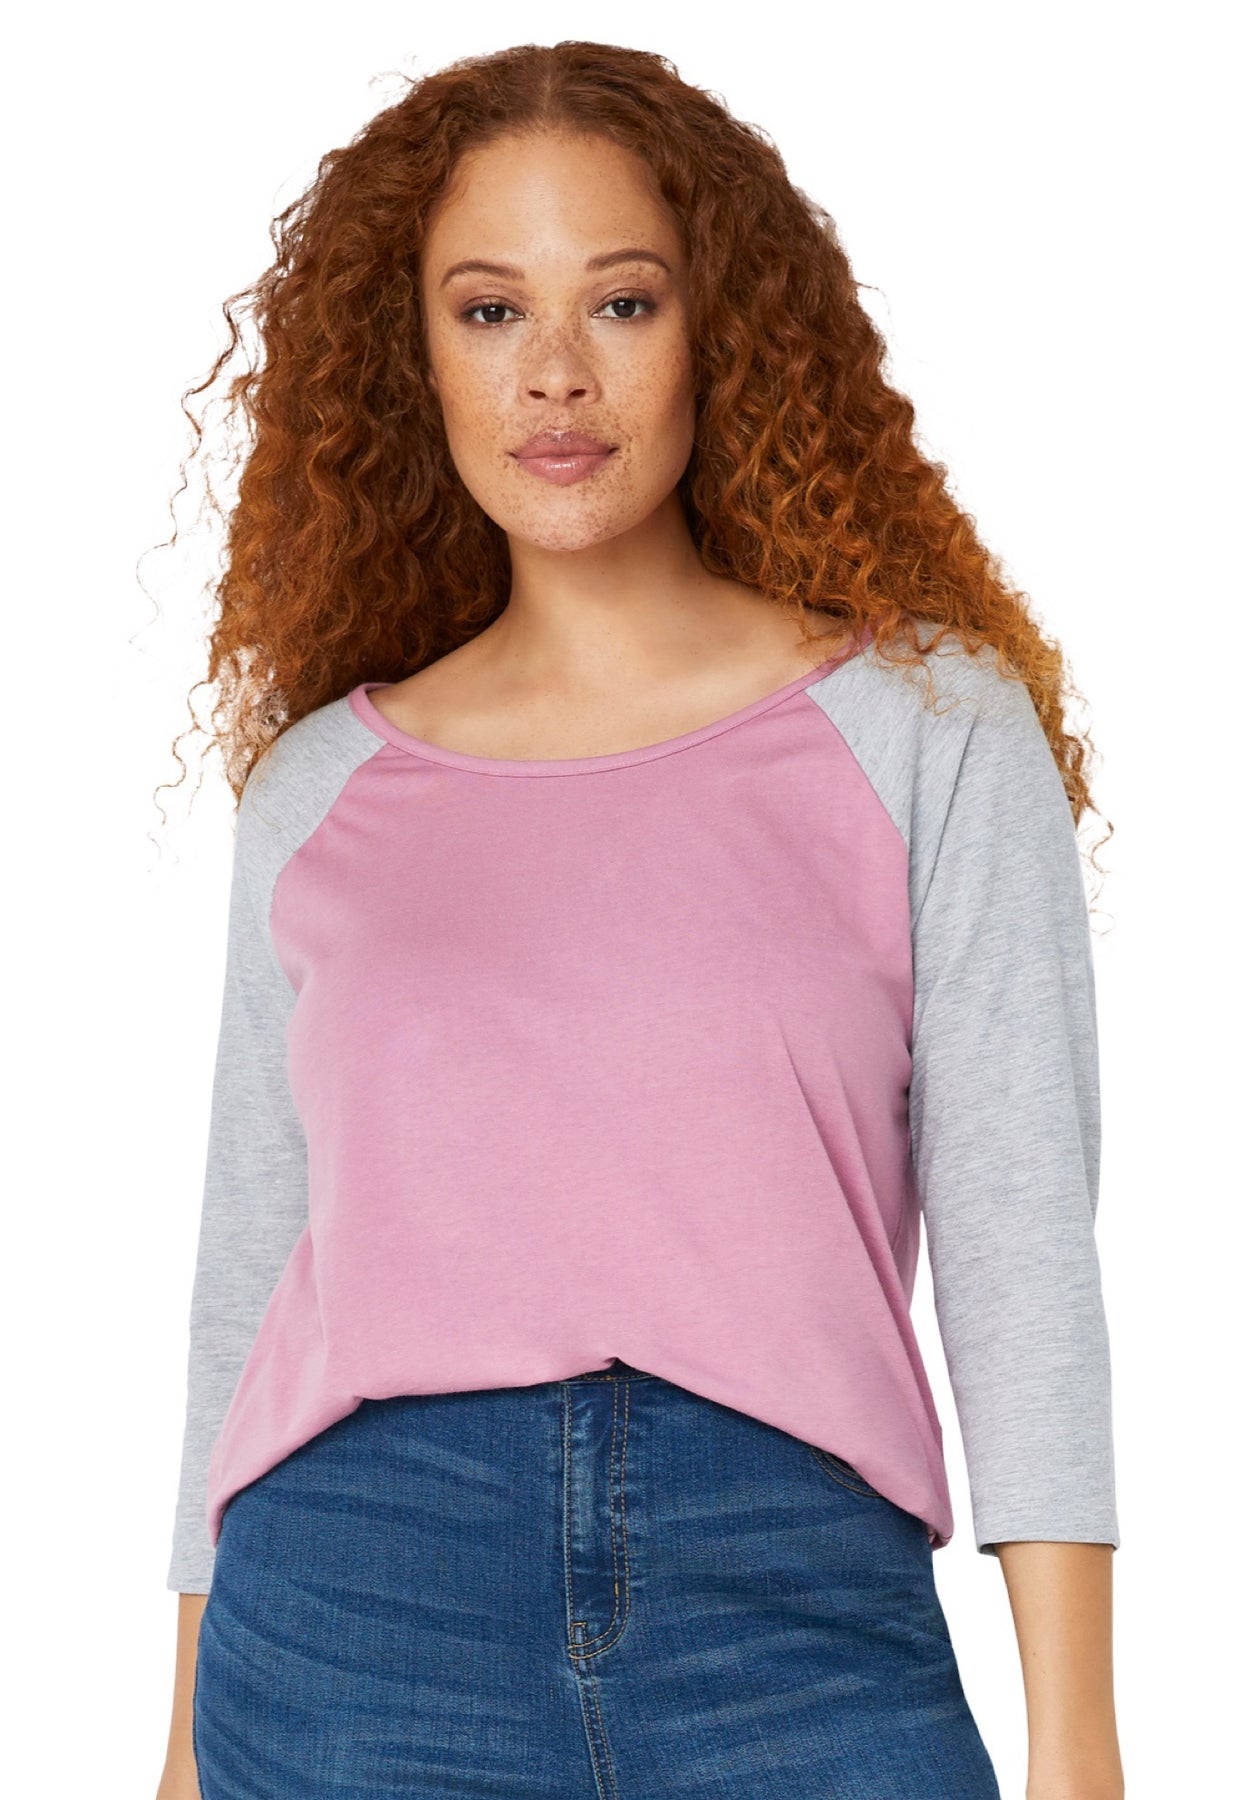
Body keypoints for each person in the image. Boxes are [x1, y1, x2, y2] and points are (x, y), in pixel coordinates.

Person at [155, 39, 1124, 1800]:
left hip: (795, 1611)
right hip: (354, 1618)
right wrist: (174, 1747)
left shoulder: (929, 730)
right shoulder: (319, 791)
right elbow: (252, 1267)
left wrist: (1079, 1743)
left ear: (716, 333)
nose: (555, 374)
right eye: (488, 312)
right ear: (413, 356)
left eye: (620, 301)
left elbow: (1020, 1245)